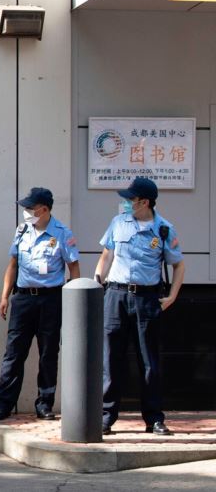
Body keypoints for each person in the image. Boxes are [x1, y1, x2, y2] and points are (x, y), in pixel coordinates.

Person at [94, 176, 185, 436]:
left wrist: (173, 296)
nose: (125, 203)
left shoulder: (164, 229)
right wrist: (97, 282)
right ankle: (106, 416)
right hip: (116, 295)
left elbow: (178, 264)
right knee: (111, 358)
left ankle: (154, 419)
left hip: (146, 299)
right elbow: (106, 255)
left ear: (144, 202)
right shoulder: (117, 223)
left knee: (149, 362)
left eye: (130, 199)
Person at [0, 187, 79, 421]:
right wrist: (4, 296)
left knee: (48, 352)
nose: (27, 212)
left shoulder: (62, 233)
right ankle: (4, 404)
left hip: (51, 299)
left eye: (31, 208)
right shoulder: (22, 231)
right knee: (14, 353)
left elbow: (74, 268)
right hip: (23, 298)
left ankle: (44, 403)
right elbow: (12, 264)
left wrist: (73, 301)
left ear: (45, 209)